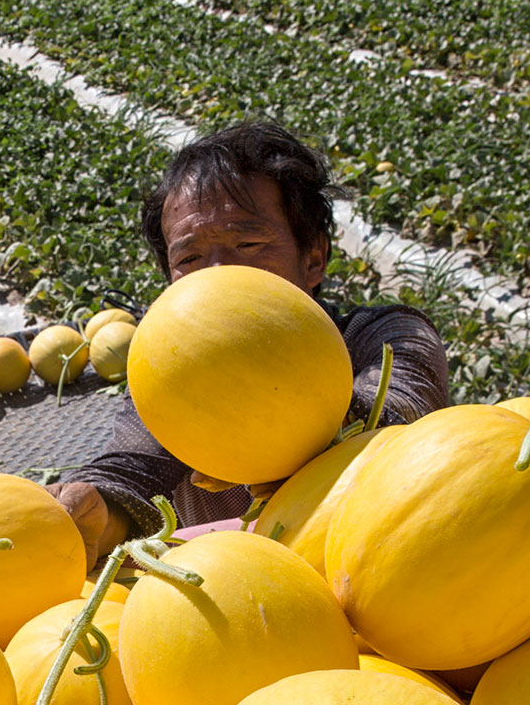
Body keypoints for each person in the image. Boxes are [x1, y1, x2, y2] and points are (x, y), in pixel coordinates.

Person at [49, 121, 451, 563]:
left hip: (381, 575)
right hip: (238, 596)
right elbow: (131, 471)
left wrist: (285, 437)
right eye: (190, 257)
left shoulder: (388, 335)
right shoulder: (169, 367)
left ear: (313, 256)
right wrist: (95, 511)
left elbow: (405, 410)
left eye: (248, 242)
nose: (221, 272)